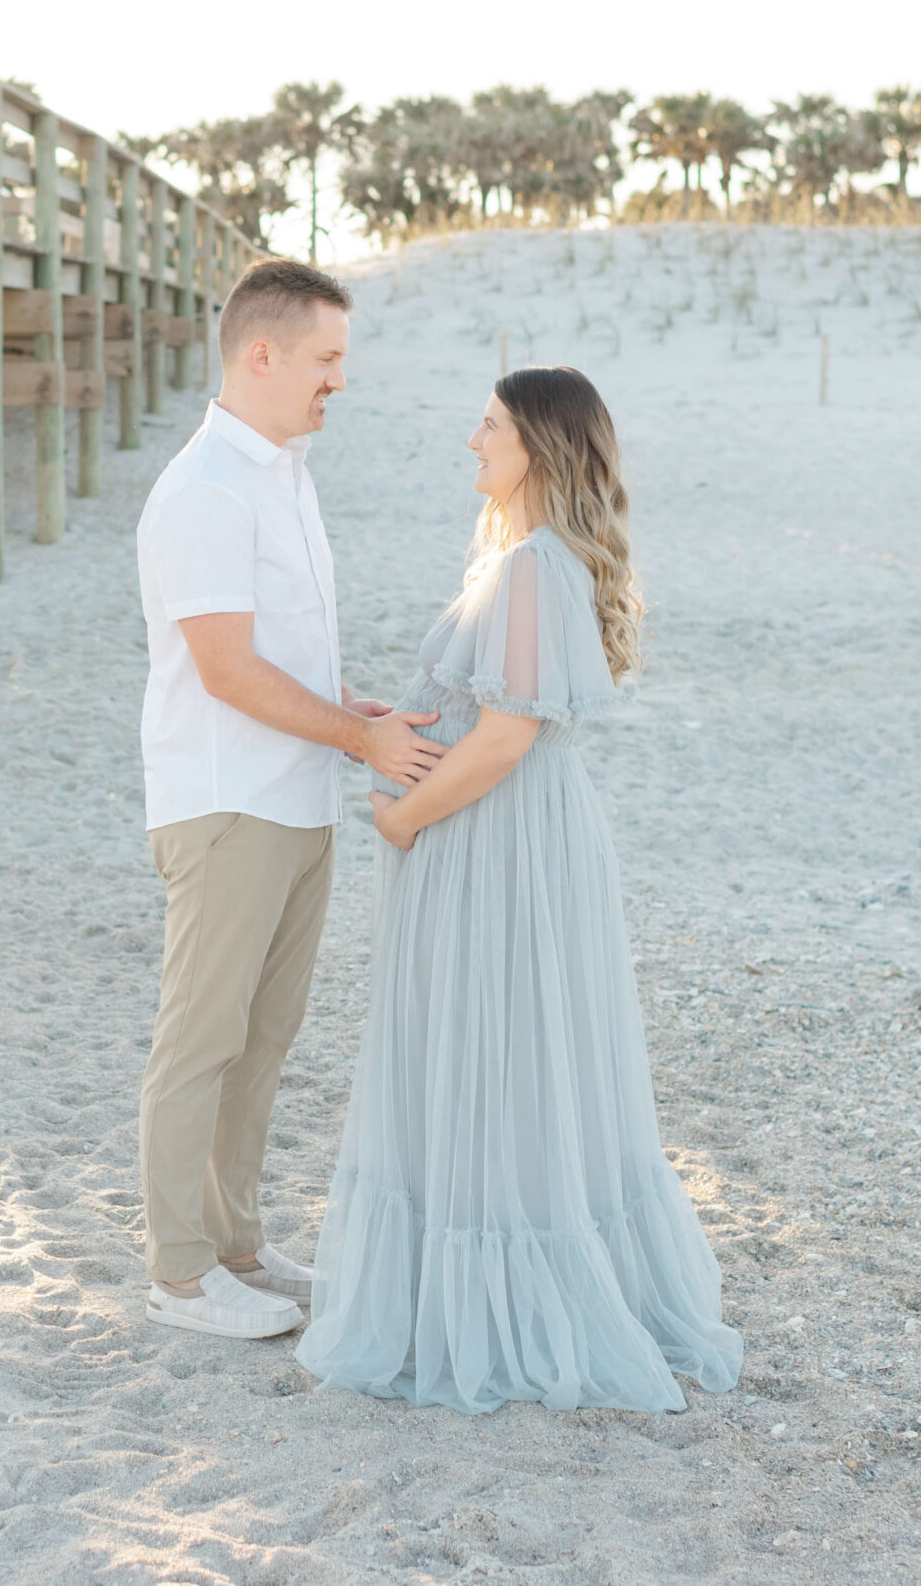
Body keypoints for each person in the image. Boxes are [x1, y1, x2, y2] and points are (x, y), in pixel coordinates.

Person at [296, 365, 746, 1411]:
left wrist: (404, 814)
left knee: (498, 1055)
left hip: (495, 839)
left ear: (536, 446)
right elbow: (479, 712)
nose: (471, 442)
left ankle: (507, 1307)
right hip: (492, 834)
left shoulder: (535, 566)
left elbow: (504, 737)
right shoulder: (523, 563)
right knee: (496, 1054)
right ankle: (461, 1297)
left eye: (489, 426)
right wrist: (387, 727)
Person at [133, 258, 448, 1340]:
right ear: (259, 355)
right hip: (227, 804)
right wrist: (359, 736)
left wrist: (344, 711)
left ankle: (235, 1247)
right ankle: (178, 1276)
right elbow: (222, 670)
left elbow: (275, 657)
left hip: (295, 795)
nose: (338, 382)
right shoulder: (204, 490)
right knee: (200, 1040)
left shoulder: (284, 473)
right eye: (326, 359)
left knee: (262, 1039)